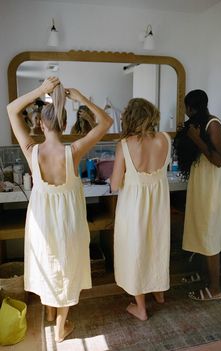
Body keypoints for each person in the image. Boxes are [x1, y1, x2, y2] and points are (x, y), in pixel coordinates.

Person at [7, 77, 113, 342]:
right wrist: (82, 99)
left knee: (48, 264)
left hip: (41, 223)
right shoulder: (74, 151)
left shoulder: (31, 150)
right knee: (67, 268)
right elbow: (106, 123)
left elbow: (11, 109)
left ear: (40, 124)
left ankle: (53, 315)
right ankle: (60, 326)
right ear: (65, 124)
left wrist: (40, 91)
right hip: (69, 222)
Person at [110, 98, 171, 321]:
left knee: (134, 251)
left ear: (130, 117)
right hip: (158, 206)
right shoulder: (166, 139)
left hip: (134, 208)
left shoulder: (125, 144)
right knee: (156, 245)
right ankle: (159, 293)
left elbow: (115, 184)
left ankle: (141, 308)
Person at [173, 89, 221, 301]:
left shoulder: (213, 124)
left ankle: (215, 289)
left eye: (187, 108)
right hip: (201, 187)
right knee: (201, 231)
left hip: (212, 190)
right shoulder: (198, 124)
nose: (186, 112)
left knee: (210, 236)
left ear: (192, 107)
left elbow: (218, 160)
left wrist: (197, 140)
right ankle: (205, 276)